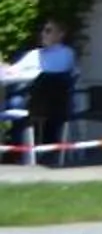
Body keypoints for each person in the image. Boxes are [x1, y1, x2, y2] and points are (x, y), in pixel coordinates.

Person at [1, 19, 78, 167]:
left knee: (15, 102)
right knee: (13, 101)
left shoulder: (66, 53)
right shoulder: (34, 54)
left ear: (60, 34)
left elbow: (51, 74)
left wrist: (27, 74)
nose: (43, 34)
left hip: (55, 102)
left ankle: (16, 151)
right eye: (43, 31)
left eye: (48, 31)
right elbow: (12, 71)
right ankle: (16, 150)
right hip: (35, 100)